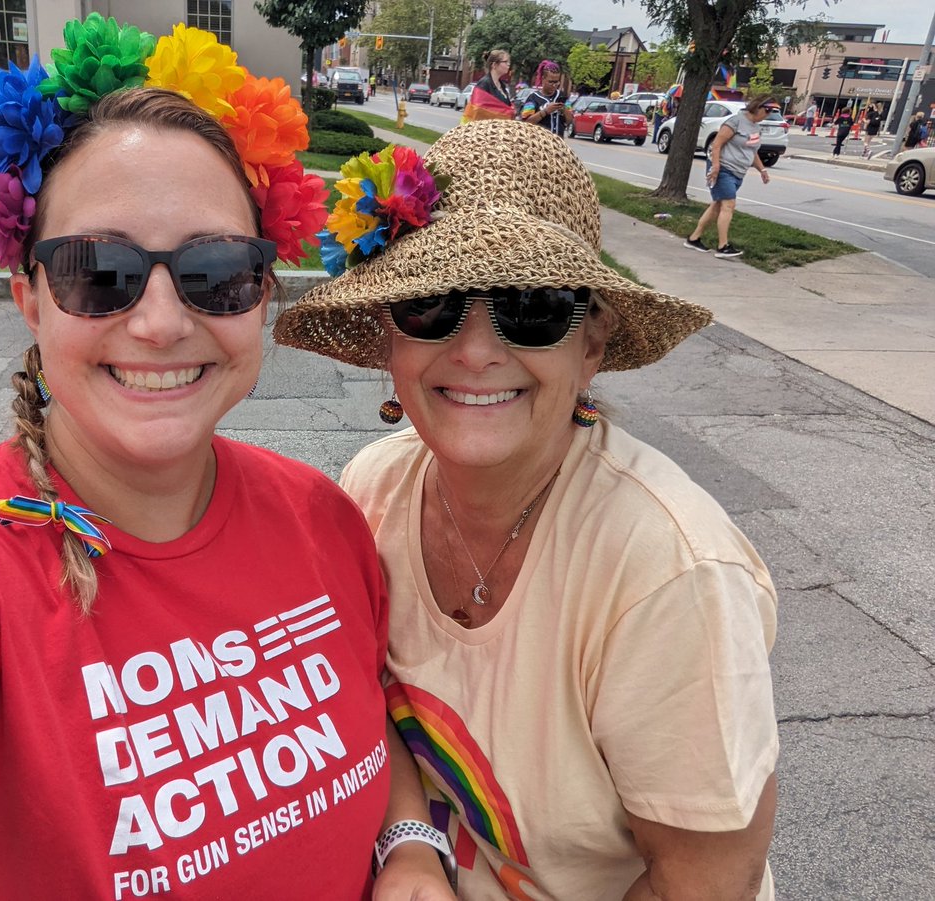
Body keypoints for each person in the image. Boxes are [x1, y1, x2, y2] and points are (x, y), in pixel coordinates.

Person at [0, 16, 455, 901]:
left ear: (262, 294)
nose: (159, 321)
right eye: (99, 272)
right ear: (28, 299)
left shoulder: (325, 519)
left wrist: (413, 847)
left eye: (216, 271)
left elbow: (367, 712)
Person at [275, 119, 778, 900]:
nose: (476, 350)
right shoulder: (371, 489)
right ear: (388, 339)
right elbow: (361, 695)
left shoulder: (668, 571)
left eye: (532, 306)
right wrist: (410, 845)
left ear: (593, 344)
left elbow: (708, 881)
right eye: (433, 305)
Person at [683, 94, 777, 259]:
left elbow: (752, 151)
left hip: (738, 172)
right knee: (729, 205)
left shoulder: (755, 127)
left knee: (717, 206)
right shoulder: (735, 122)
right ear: (759, 108)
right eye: (768, 111)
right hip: (723, 169)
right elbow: (717, 144)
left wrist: (762, 170)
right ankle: (723, 246)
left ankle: (693, 238)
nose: (768, 116)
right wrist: (716, 166)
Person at [519, 59, 574, 137]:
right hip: (539, 143)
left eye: (556, 82)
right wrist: (546, 111)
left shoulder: (562, 96)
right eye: (551, 82)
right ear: (543, 79)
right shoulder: (533, 98)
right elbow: (526, 122)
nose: (554, 85)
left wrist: (563, 109)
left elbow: (570, 120)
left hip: (558, 143)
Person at [461, 48, 514, 122]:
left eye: (509, 62)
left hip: (499, 128)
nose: (508, 64)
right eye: (505, 62)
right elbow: (477, 109)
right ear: (494, 65)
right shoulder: (484, 83)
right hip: (485, 129)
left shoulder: (502, 86)